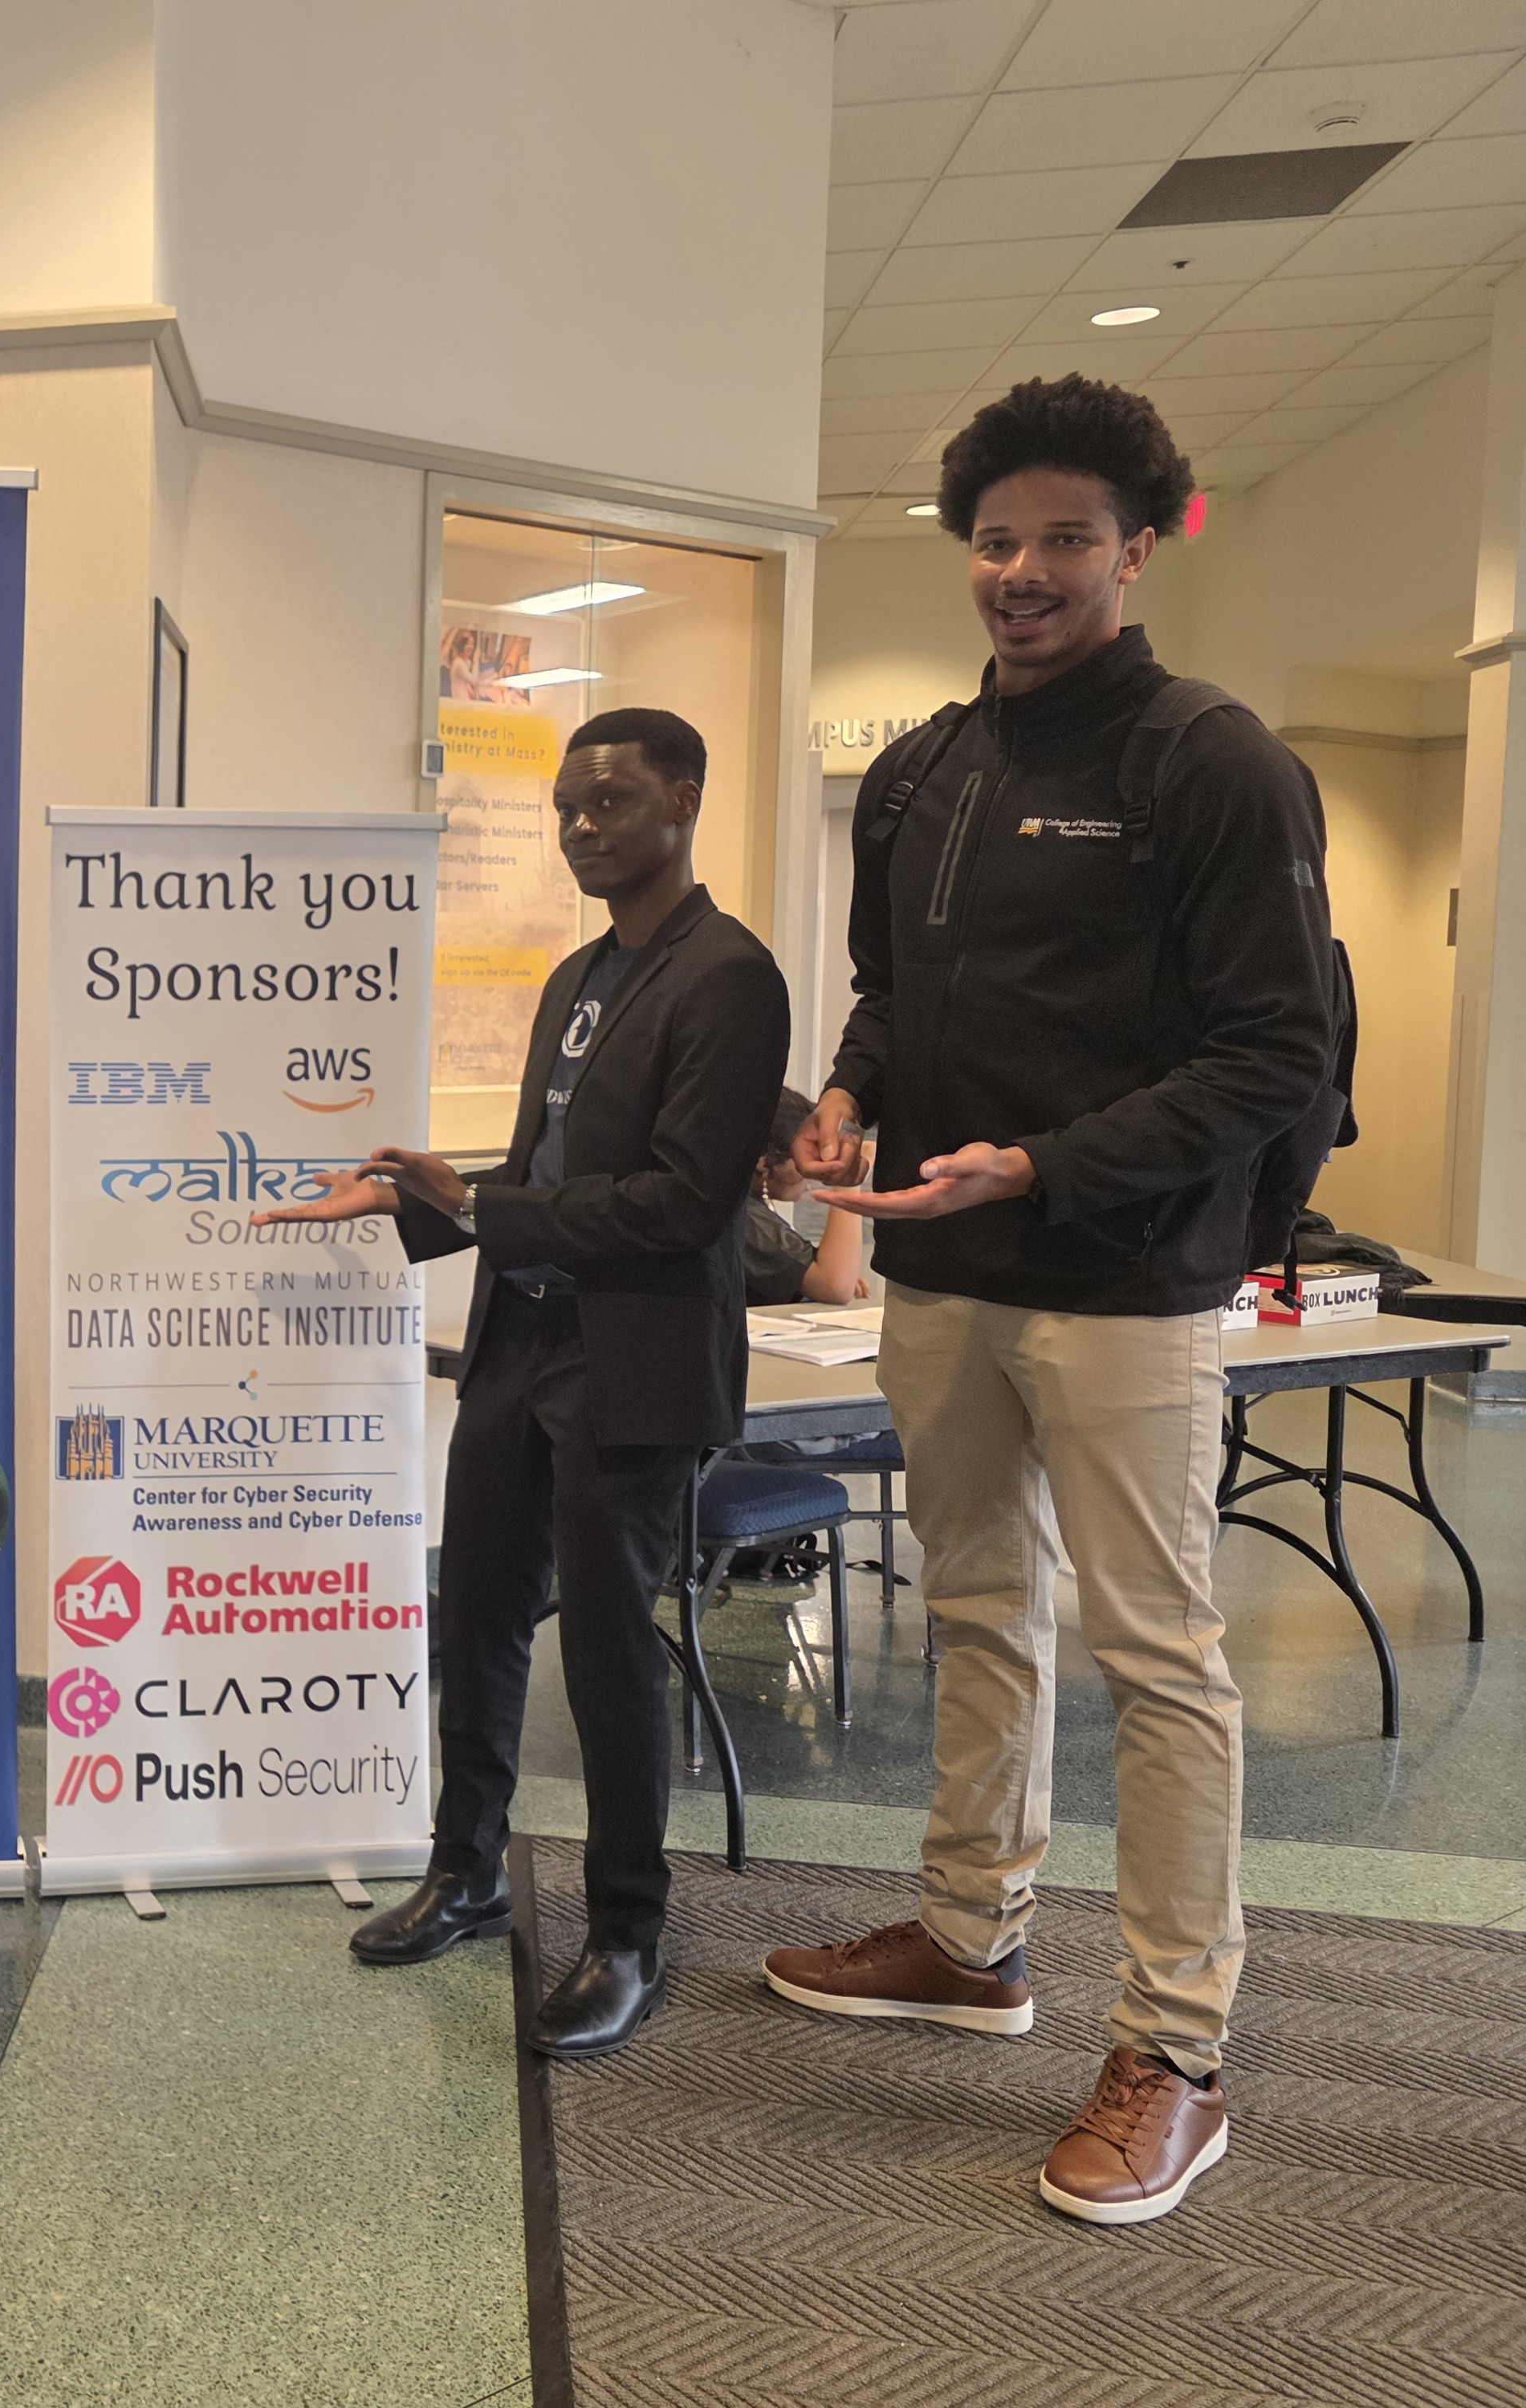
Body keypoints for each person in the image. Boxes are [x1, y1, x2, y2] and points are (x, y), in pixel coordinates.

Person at [770, 376, 1335, 2227]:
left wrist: (1045, 1162)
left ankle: (1175, 2049)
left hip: (1124, 1280)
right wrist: (851, 1093)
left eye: (1064, 537)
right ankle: (967, 1937)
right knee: (974, 1615)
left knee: (1157, 1662)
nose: (1022, 570)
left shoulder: (1209, 758)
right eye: (996, 539)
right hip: (939, 1276)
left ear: (1139, 541)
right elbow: (885, 996)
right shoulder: (928, 766)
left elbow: (1273, 1050)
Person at [258, 708, 786, 2056]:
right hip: (522, 1345)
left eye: (608, 801)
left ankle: (626, 1934)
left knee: (610, 1652)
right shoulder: (579, 976)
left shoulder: (729, 976)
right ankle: (469, 1869)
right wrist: (414, 1200)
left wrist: (488, 1212)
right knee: (478, 1613)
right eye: (564, 808)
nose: (579, 828)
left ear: (683, 799)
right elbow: (538, 1178)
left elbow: (680, 1203)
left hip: (635, 1362)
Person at [746, 1087, 869, 1308]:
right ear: (764, 1163)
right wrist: (846, 1174)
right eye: (804, 1154)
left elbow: (834, 1279)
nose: (814, 1171)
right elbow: (835, 1286)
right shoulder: (744, 1215)